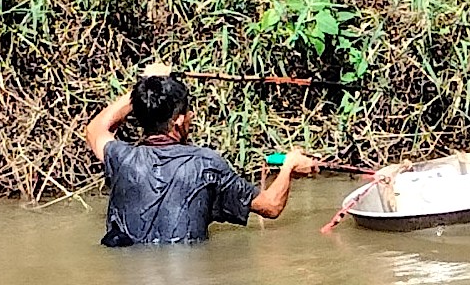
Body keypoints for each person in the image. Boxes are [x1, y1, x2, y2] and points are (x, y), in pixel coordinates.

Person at [85, 63, 318, 247]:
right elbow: (272, 206)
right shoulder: (206, 165)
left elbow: (95, 129)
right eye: (187, 113)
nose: (191, 117)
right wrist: (288, 167)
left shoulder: (121, 159)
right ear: (177, 122)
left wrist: (145, 86)